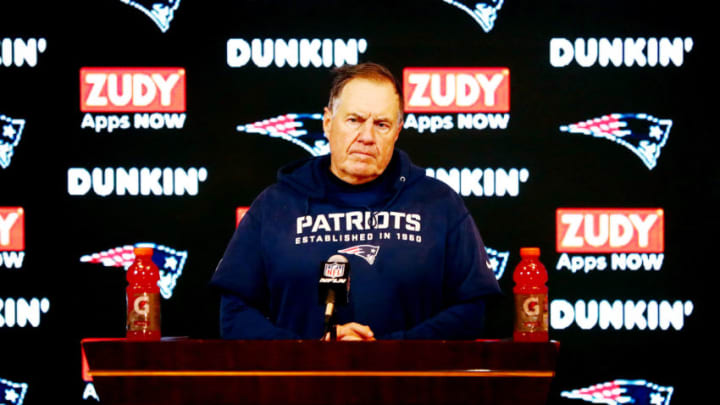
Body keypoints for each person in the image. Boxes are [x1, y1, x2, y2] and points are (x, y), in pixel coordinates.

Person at [210, 62, 501, 340]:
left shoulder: (439, 204)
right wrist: (308, 354)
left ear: (397, 131)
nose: (367, 136)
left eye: (382, 124)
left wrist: (388, 352)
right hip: (301, 386)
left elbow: (472, 310)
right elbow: (235, 313)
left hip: (408, 387)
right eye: (354, 120)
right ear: (327, 122)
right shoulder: (274, 205)